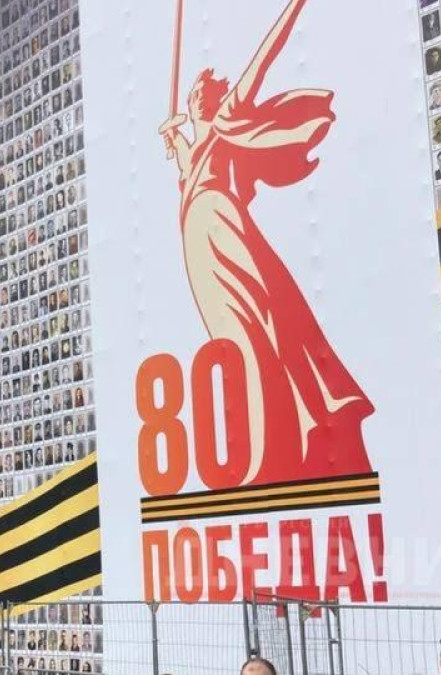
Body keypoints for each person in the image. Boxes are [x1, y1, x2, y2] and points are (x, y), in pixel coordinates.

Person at [158, 0, 376, 487]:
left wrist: (293, 8)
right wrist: (176, 143)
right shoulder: (196, 146)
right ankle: (264, 441)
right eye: (195, 92)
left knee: (257, 325)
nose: (195, 97)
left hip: (221, 228)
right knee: (231, 333)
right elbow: (190, 171)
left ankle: (286, 436)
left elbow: (264, 56)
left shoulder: (228, 118)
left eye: (200, 92)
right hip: (199, 238)